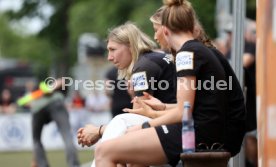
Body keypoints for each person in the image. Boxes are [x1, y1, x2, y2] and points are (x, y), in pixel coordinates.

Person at [92, 0, 233, 166]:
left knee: (105, 149)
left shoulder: (184, 54)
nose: (154, 37)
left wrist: (144, 125)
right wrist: (162, 108)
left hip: (201, 134)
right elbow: (189, 106)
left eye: (155, 30)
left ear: (166, 30)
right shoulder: (196, 51)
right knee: (128, 149)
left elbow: (182, 112)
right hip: (211, 130)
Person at [77, 22, 177, 166]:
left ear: (130, 45)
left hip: (175, 130)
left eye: (113, 50)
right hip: (177, 126)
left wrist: (98, 131)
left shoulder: (143, 67)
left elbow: (138, 118)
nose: (109, 57)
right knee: (126, 154)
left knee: (119, 126)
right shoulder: (155, 57)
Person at [18, 78, 80, 167]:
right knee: (66, 135)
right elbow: (23, 102)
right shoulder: (32, 94)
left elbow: (61, 81)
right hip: (52, 106)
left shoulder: (42, 85)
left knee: (36, 140)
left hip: (43, 107)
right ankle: (74, 164)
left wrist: (49, 89)